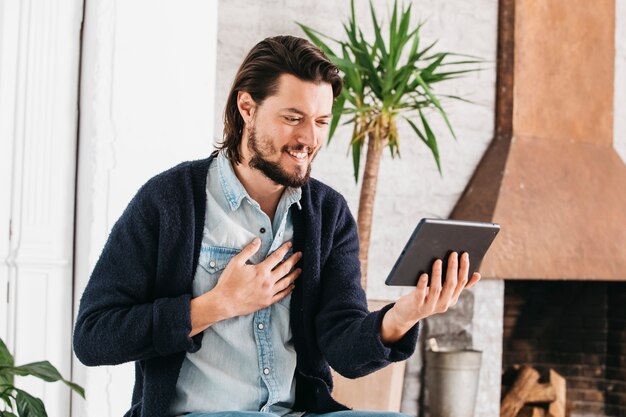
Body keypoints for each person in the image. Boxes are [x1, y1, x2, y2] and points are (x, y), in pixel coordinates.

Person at [73, 35, 481, 417]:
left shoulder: (328, 213)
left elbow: (343, 349)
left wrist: (403, 316)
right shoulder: (167, 201)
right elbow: (93, 338)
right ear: (246, 107)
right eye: (293, 117)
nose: (309, 138)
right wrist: (216, 305)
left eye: (321, 121)